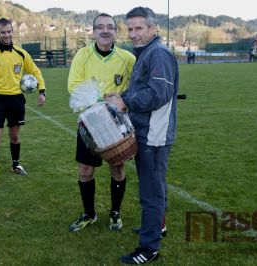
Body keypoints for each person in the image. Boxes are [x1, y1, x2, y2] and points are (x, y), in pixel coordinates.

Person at [106, 7, 178, 264]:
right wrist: (120, 95)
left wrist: (124, 100)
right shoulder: (147, 53)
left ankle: (150, 248)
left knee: (151, 192)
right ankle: (157, 227)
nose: (133, 34)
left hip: (155, 135)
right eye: (130, 29)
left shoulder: (158, 54)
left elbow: (159, 94)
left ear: (152, 29)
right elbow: (144, 88)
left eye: (139, 28)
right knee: (155, 186)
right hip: (146, 132)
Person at [67, 13, 135, 232]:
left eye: (110, 27)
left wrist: (123, 100)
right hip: (89, 124)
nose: (105, 31)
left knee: (117, 167)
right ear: (94, 31)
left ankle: (115, 212)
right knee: (85, 171)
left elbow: (137, 88)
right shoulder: (82, 55)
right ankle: (89, 213)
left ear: (115, 31)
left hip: (116, 125)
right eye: (100, 27)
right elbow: (74, 86)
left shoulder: (127, 58)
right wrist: (103, 99)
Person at [0, 18, 46, 192]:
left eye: (9, 31)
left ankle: (16, 165)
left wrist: (42, 90)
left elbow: (35, 71)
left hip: (16, 100)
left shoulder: (21, 54)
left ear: (12, 31)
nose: (7, 35)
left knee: (15, 137)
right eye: (3, 32)